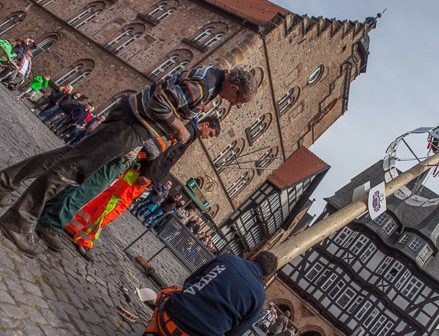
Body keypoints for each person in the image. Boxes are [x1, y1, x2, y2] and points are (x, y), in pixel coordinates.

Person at [0, 66, 257, 257]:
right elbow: (158, 103)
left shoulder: (209, 79)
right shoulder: (206, 85)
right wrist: (179, 127)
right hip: (133, 127)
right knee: (73, 168)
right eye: (236, 101)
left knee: (66, 158)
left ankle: (6, 182)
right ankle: (19, 220)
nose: (231, 104)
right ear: (233, 87)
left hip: (132, 120)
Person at [38, 119, 220, 259]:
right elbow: (165, 154)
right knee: (114, 205)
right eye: (209, 133)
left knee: (106, 199)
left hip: (140, 170)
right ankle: (85, 238)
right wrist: (149, 174)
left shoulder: (188, 131)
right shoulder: (187, 132)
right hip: (142, 174)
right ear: (205, 124)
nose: (207, 137)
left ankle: (75, 225)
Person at [131, 250, 278, 336]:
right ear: (266, 277)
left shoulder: (227, 259)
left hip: (170, 317)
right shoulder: (259, 297)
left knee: (168, 293)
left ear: (252, 257)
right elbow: (234, 335)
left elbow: (190, 281)